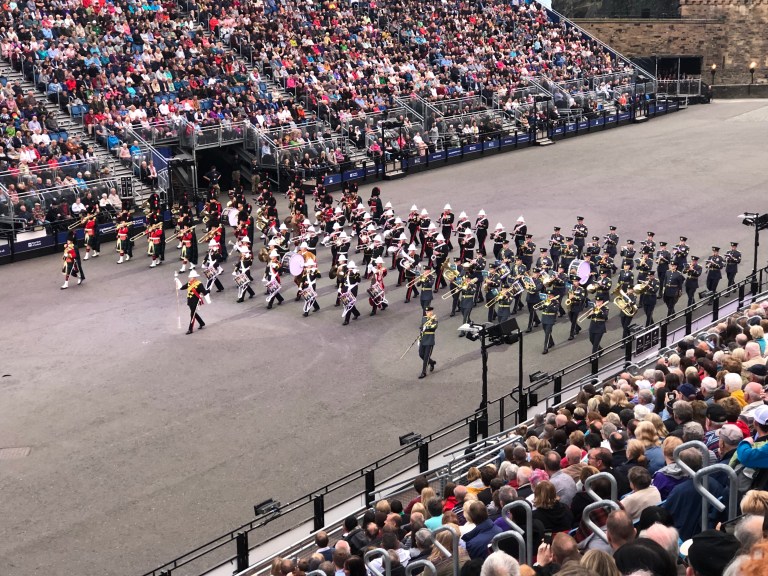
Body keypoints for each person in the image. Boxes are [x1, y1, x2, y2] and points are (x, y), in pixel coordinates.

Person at [175, 269, 210, 335]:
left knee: (192, 314)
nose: (189, 278)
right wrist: (177, 281)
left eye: (190, 277)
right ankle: (202, 323)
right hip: (190, 301)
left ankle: (190, 329)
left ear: (194, 277)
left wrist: (208, 290)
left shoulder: (199, 284)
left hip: (195, 301)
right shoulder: (189, 283)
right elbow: (182, 288)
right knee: (193, 313)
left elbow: (204, 292)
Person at [418, 307, 438, 379]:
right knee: (421, 354)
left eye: (429, 312)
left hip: (429, 341)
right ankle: (432, 362)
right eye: (427, 312)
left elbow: (434, 326)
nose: (428, 313)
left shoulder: (434, 319)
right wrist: (419, 338)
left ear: (431, 312)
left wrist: (426, 327)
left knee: (426, 357)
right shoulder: (424, 318)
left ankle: (424, 372)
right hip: (423, 340)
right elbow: (421, 327)